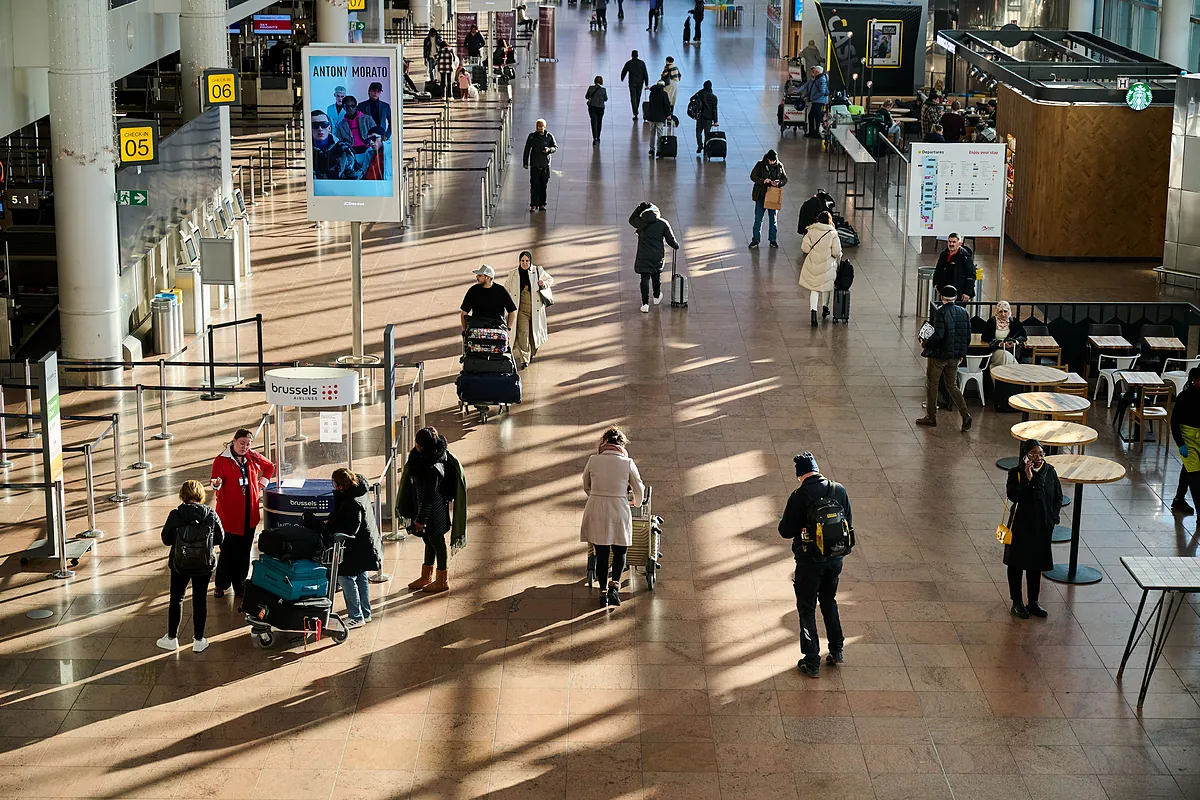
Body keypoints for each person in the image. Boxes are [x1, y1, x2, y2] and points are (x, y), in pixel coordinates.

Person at [778, 452, 852, 678]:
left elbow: (785, 531)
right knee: (829, 601)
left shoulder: (799, 496)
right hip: (835, 560)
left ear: (799, 475)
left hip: (809, 563)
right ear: (817, 469)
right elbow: (848, 522)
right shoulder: (838, 489)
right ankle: (837, 650)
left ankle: (811, 660)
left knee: (807, 607)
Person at [581, 427, 645, 608]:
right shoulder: (627, 463)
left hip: (597, 507)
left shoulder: (593, 460)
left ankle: (602, 591)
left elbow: (586, 484)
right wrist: (636, 503)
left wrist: (595, 496)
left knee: (601, 553)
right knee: (620, 550)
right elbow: (638, 488)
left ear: (604, 443)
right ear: (622, 444)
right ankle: (614, 587)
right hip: (619, 507)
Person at [157, 480, 225, 653]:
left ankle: (171, 638)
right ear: (200, 495)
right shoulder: (210, 514)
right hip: (203, 564)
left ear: (183, 495)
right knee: (199, 600)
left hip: (180, 563)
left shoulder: (175, 515)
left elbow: (166, 539)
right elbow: (220, 538)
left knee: (177, 599)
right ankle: (199, 640)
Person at [398, 427, 467, 594]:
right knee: (428, 541)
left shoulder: (433, 468)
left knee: (437, 543)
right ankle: (426, 576)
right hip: (428, 510)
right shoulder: (424, 459)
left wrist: (421, 519)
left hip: (433, 512)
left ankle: (442, 579)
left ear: (423, 446)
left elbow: (429, 496)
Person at [309, 468, 381, 628]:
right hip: (366, 545)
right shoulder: (357, 492)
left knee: (345, 577)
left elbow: (349, 529)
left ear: (340, 485)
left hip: (355, 547)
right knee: (361, 576)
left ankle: (356, 616)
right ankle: (365, 613)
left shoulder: (351, 502)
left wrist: (329, 527)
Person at [210, 428, 275, 597]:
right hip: (229, 517)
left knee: (244, 551)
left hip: (249, 514)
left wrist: (262, 483)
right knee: (228, 552)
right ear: (234, 441)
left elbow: (269, 467)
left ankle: (239, 583)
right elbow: (215, 483)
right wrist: (216, 483)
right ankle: (221, 584)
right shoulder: (221, 460)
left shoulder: (252, 457)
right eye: (242, 443)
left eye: (248, 444)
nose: (244, 447)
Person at [1004, 440, 1061, 619]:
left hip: (1041, 526)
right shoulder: (1016, 473)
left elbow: (1057, 496)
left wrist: (1053, 519)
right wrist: (1028, 479)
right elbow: (1014, 495)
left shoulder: (1050, 471)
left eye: (1040, 454)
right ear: (1025, 455)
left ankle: (1033, 601)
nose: (1037, 458)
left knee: (1035, 565)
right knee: (1016, 564)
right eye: (1033, 454)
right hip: (1020, 525)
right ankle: (1017, 602)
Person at [916, 285, 973, 431]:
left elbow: (939, 336)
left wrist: (925, 343)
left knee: (932, 384)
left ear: (942, 297)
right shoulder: (963, 312)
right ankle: (965, 414)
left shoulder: (941, 312)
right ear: (955, 297)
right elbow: (967, 336)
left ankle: (931, 416)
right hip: (955, 356)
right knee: (952, 385)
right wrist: (961, 354)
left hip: (940, 356)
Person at [503, 250, 555, 368]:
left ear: (530, 261)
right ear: (519, 261)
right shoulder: (513, 274)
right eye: (522, 261)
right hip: (521, 310)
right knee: (523, 334)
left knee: (534, 334)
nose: (524, 263)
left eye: (527, 261)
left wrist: (543, 283)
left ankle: (533, 351)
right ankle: (524, 359)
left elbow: (550, 280)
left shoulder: (538, 271)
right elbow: (506, 289)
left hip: (536, 309)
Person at [629, 201, 680, 313]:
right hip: (657, 256)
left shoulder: (641, 223)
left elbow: (631, 219)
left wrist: (639, 208)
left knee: (644, 279)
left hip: (643, 255)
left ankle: (645, 304)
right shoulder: (663, 223)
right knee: (656, 276)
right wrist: (676, 246)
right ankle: (657, 297)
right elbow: (671, 240)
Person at [800, 210, 843, 327]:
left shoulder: (811, 230)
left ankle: (813, 315)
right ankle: (825, 308)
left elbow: (805, 248)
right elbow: (836, 251)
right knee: (826, 287)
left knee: (814, 289)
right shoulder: (832, 233)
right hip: (827, 265)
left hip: (813, 264)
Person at [1170, 367, 1200, 513]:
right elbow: (1174, 422)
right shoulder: (1185, 397)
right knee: (1196, 477)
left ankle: (1178, 499)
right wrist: (1181, 444)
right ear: (1195, 380)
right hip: (1187, 438)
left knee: (1188, 469)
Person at [749, 149, 788, 248]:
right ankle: (756, 239)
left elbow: (785, 179)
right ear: (767, 159)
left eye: (773, 161)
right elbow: (753, 176)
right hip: (761, 196)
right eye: (770, 161)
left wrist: (778, 183)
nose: (772, 162)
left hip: (773, 196)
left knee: (773, 220)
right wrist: (762, 180)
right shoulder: (760, 165)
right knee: (758, 219)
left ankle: (773, 240)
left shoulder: (779, 166)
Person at [460, 265, 517, 332]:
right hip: (477, 329)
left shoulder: (501, 291)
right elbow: (464, 311)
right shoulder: (473, 290)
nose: (476, 277)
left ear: (488, 277)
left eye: (480, 275)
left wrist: (508, 328)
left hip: (496, 329)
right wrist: (464, 330)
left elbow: (512, 311)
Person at [522, 119, 558, 211]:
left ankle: (542, 204)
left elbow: (555, 147)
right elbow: (527, 149)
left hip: (545, 165)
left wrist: (549, 150)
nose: (539, 128)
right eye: (537, 126)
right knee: (534, 185)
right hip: (534, 165)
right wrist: (525, 163)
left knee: (543, 185)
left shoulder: (549, 136)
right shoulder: (532, 137)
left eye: (541, 126)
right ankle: (533, 204)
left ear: (544, 127)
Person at [311, 111, 357, 180]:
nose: (320, 129)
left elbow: (356, 177)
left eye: (324, 124)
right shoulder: (303, 151)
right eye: (315, 125)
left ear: (329, 128)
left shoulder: (344, 149)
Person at [981, 300, 1026, 368]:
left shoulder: (1014, 321)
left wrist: (1015, 342)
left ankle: (995, 370)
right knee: (1005, 357)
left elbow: (1023, 334)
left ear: (1009, 311)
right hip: (995, 350)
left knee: (1001, 363)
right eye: (1000, 311)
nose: (1003, 314)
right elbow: (985, 336)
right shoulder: (992, 321)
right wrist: (999, 343)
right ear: (997, 312)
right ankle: (1018, 373)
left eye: (1005, 311)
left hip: (1011, 351)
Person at [932, 233, 975, 302]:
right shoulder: (944, 254)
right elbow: (938, 270)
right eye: (949, 241)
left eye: (954, 242)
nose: (951, 244)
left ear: (959, 243)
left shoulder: (965, 256)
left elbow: (971, 275)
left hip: (959, 294)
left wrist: (967, 292)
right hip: (944, 292)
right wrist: (936, 283)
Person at [799, 66, 829, 138]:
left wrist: (814, 97)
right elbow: (807, 88)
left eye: (814, 71)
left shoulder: (821, 79)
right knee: (812, 116)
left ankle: (817, 132)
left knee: (816, 116)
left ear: (818, 72)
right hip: (816, 101)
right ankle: (813, 132)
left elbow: (822, 92)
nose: (812, 73)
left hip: (819, 101)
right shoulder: (815, 79)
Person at [644, 81, 672, 158]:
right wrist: (668, 114)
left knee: (652, 133)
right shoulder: (664, 94)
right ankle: (659, 150)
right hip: (660, 117)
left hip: (652, 116)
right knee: (660, 134)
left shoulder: (652, 93)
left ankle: (651, 149)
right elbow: (666, 105)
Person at [689, 80, 718, 153]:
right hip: (709, 118)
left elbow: (691, 99)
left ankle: (700, 145)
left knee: (698, 131)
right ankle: (706, 148)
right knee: (707, 133)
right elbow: (714, 110)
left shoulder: (700, 94)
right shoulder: (713, 97)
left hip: (700, 116)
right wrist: (715, 121)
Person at [621, 50, 650, 120]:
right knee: (638, 97)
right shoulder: (642, 63)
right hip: (640, 83)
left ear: (631, 55)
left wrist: (622, 78)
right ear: (637, 55)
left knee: (633, 97)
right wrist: (646, 84)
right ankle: (636, 109)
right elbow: (645, 73)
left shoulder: (629, 63)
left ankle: (635, 113)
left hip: (632, 82)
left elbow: (624, 71)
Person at [585, 76, 609, 144]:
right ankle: (598, 136)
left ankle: (594, 138)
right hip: (600, 108)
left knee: (593, 122)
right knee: (599, 122)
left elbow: (586, 96)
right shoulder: (603, 90)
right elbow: (605, 99)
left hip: (592, 107)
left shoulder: (591, 88)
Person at [660, 57, 682, 121]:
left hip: (670, 83)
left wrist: (662, 75)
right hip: (676, 83)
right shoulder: (676, 67)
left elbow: (664, 74)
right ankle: (671, 113)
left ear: (667, 61)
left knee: (667, 97)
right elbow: (680, 75)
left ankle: (667, 114)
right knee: (673, 98)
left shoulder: (667, 66)